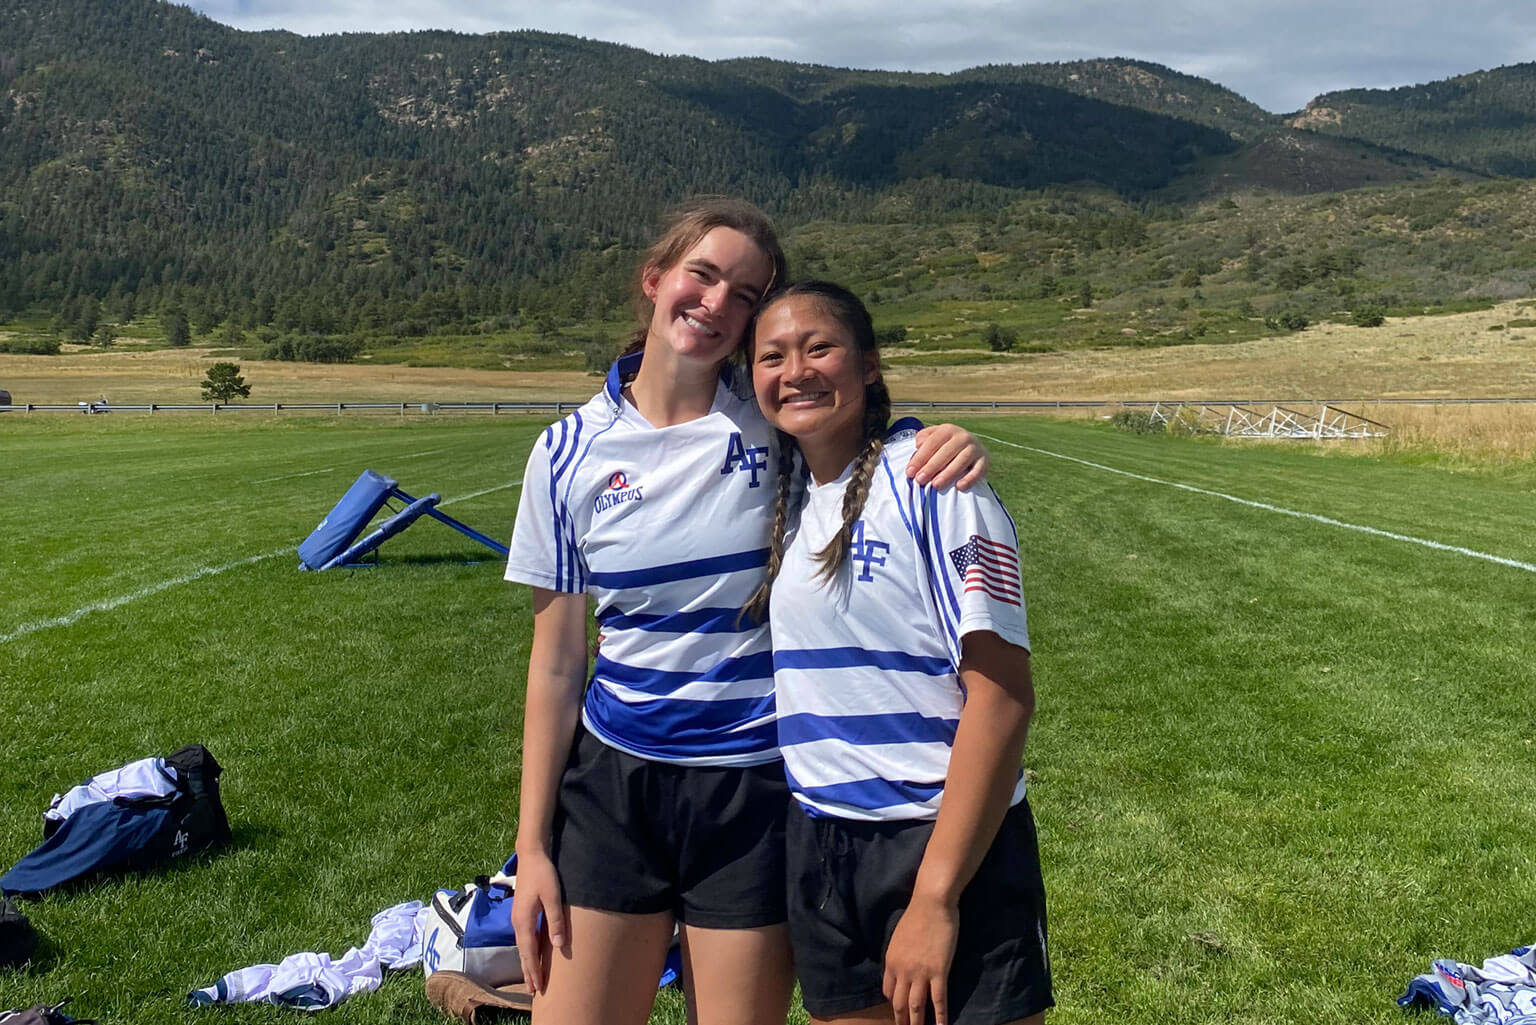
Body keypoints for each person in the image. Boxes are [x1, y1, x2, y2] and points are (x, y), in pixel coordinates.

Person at [503, 200, 989, 1025]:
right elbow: (556, 662)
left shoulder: (772, 419)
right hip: (615, 789)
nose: (718, 303)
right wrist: (531, 845)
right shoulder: (564, 453)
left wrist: (948, 442)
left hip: (753, 791)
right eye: (704, 274)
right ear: (655, 279)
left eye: (745, 292)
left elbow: (863, 436)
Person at [747, 280, 1052, 1025]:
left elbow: (1004, 697)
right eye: (772, 356)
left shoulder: (934, 480)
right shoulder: (783, 494)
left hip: (944, 840)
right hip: (821, 839)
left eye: (819, 347)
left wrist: (936, 896)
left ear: (870, 364)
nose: (796, 371)